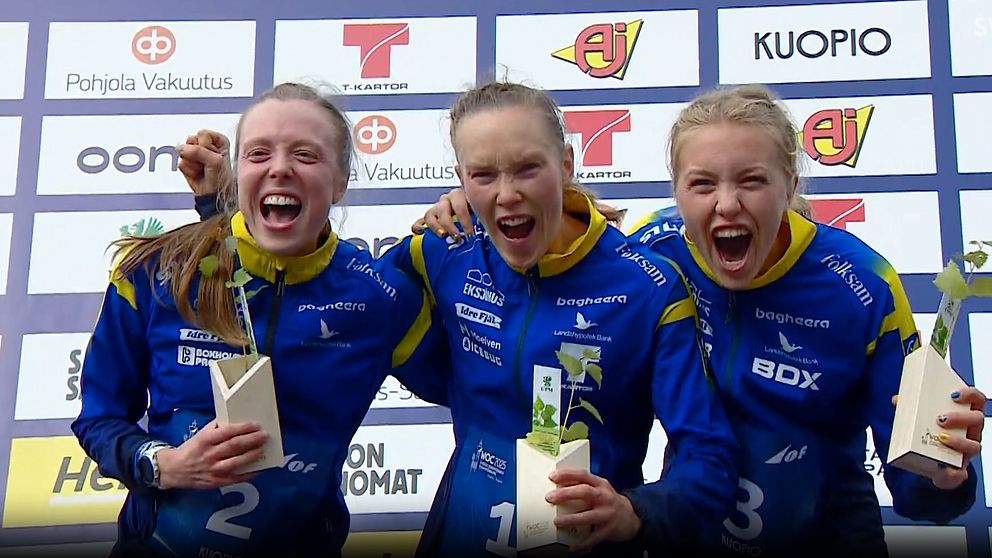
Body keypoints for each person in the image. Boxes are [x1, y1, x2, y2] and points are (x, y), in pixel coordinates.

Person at [420, 84, 986, 557]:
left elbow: (919, 487)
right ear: (677, 191)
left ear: (790, 184)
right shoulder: (655, 256)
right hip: (688, 535)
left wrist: (943, 475)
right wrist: (471, 202)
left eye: (752, 181)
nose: (727, 204)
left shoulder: (862, 285)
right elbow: (572, 242)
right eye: (703, 184)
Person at [71, 82, 444, 558]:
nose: (280, 168)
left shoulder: (380, 298)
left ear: (341, 182)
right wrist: (164, 464)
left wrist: (478, 217)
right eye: (259, 154)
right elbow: (99, 418)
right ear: (239, 174)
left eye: (305, 155)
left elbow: (481, 392)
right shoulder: (156, 273)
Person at [387, 81, 739, 557]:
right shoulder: (442, 252)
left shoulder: (648, 287)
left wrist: (636, 512)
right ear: (460, 180)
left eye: (528, 168)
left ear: (567, 164)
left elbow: (709, 457)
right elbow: (349, 309)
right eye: (483, 174)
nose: (507, 194)